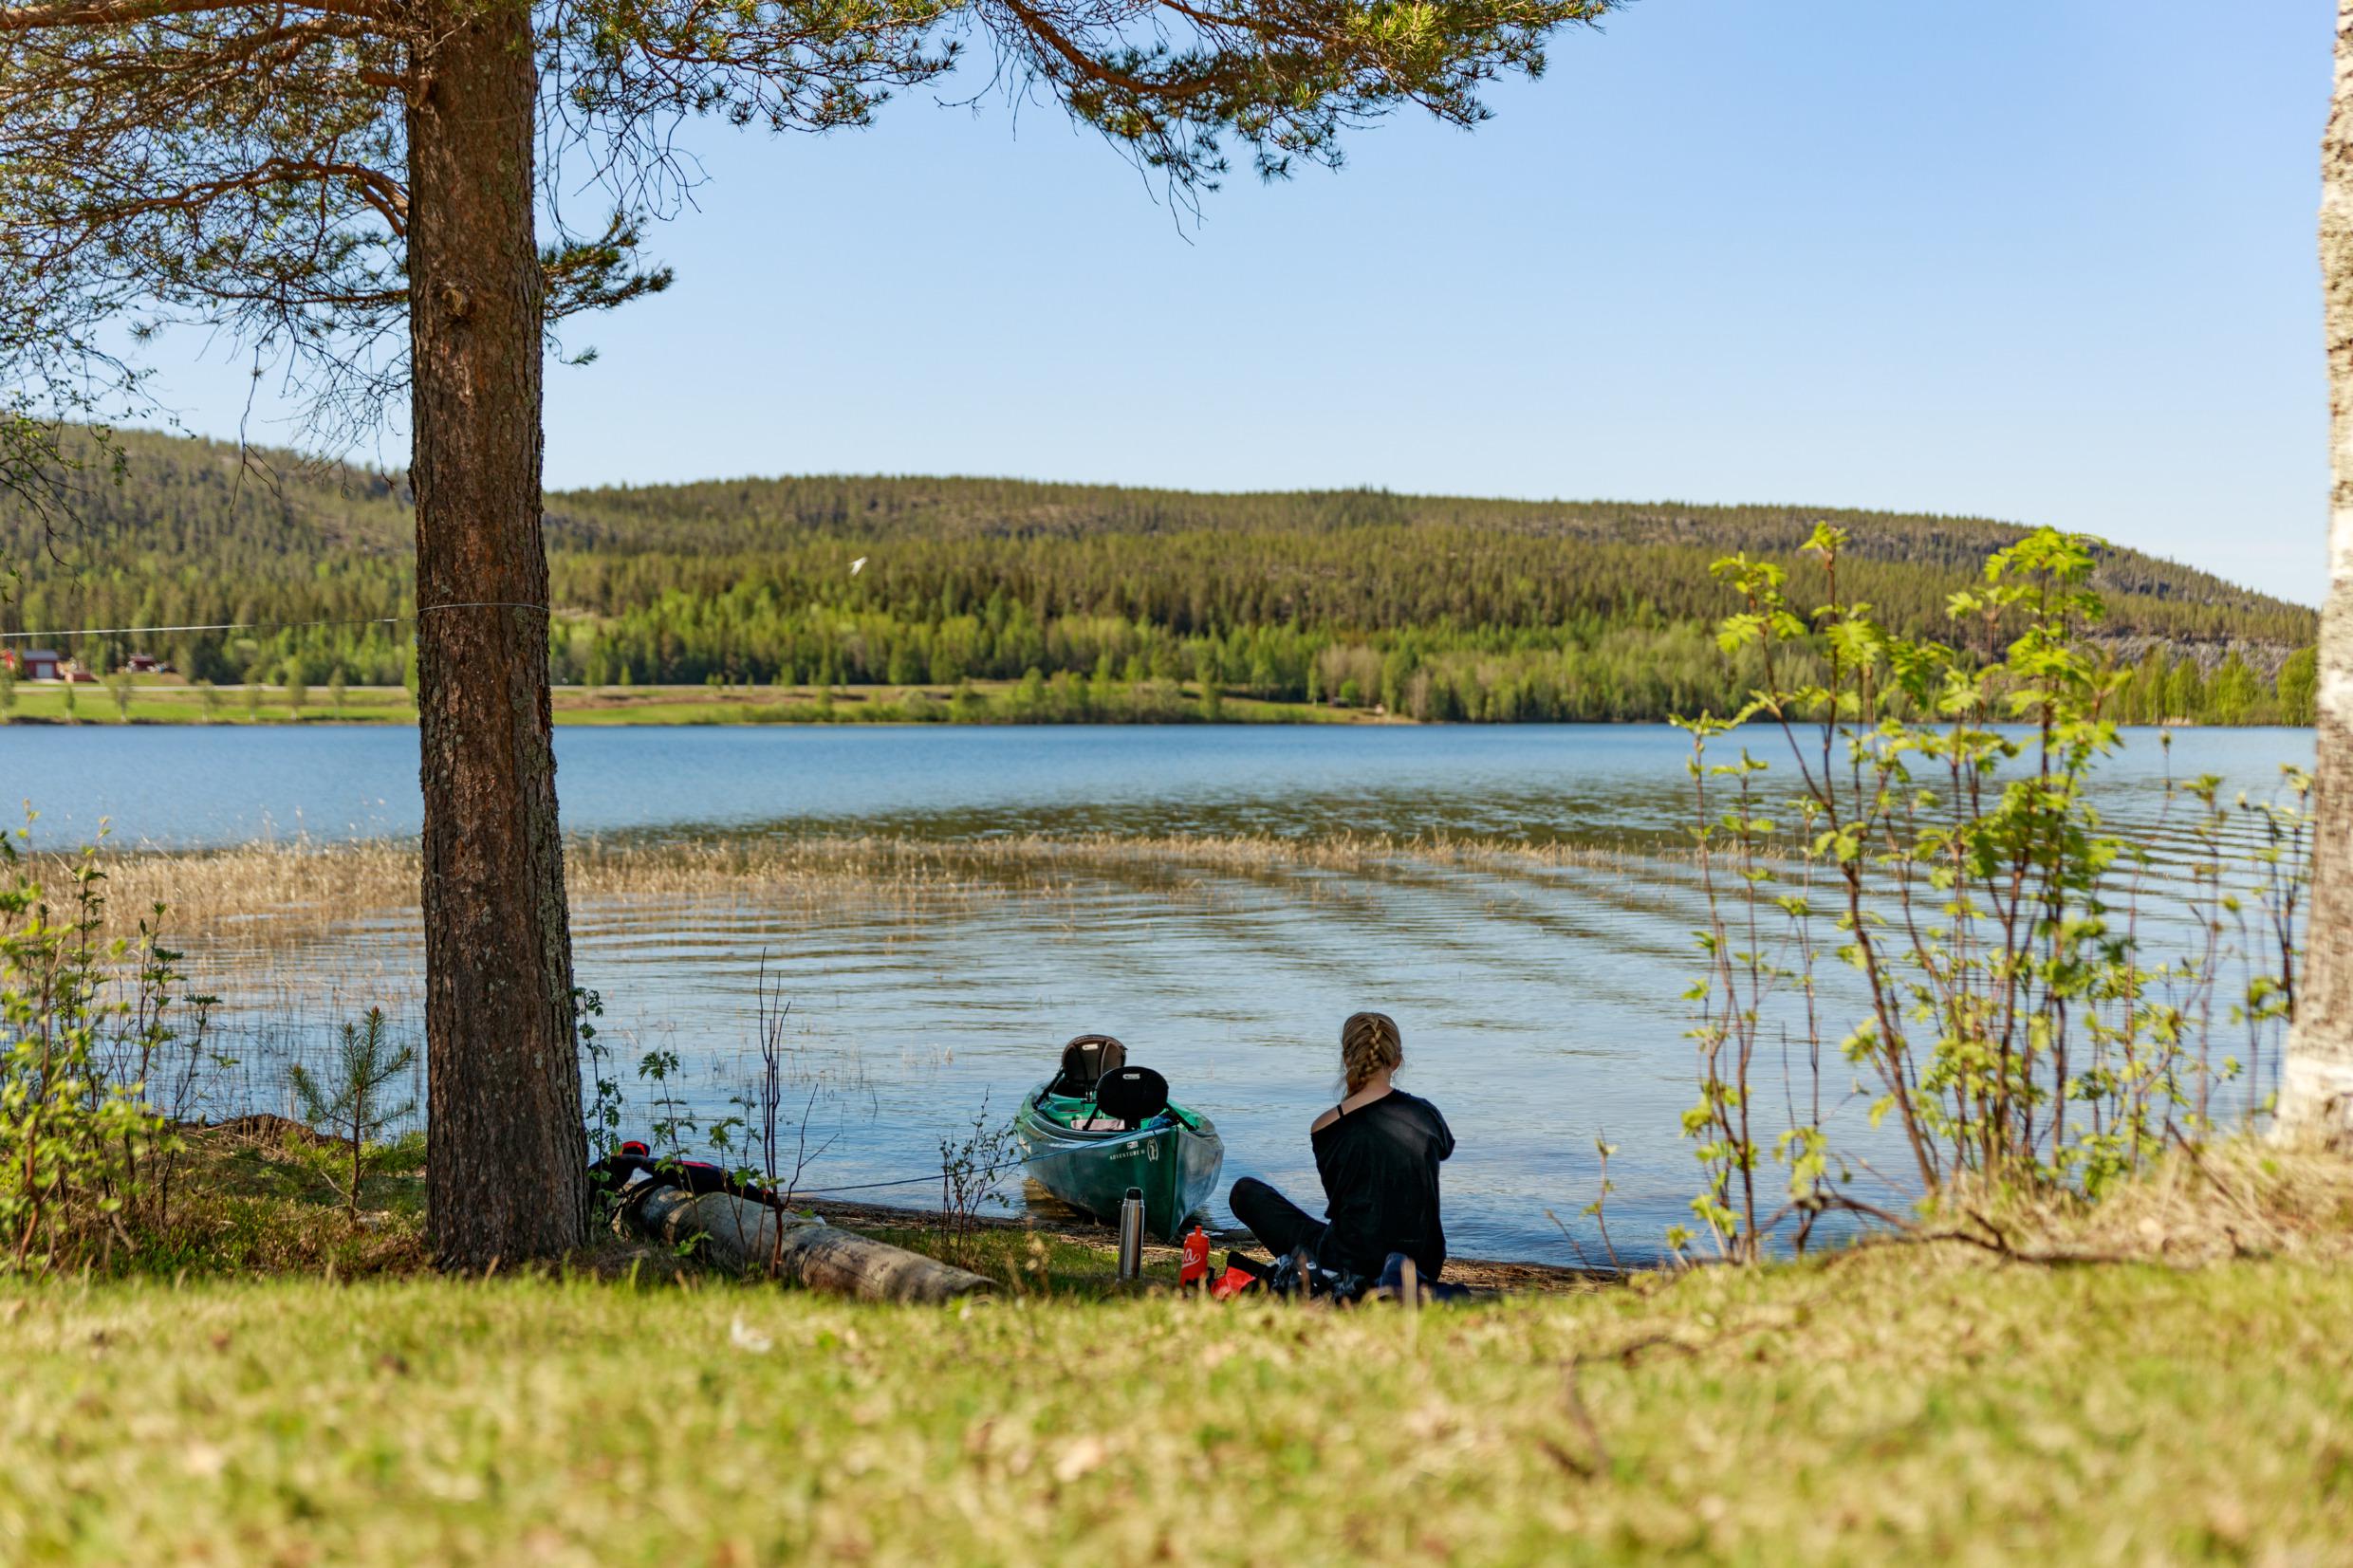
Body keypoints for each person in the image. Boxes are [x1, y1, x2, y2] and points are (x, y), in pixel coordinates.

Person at [1229, 1011, 1454, 1288]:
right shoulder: (1428, 1115)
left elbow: (1346, 1203)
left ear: (1347, 1059)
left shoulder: (1325, 1127)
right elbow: (1440, 1153)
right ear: (1397, 1061)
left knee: (1245, 1192)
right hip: (1424, 1264)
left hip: (1353, 1261)